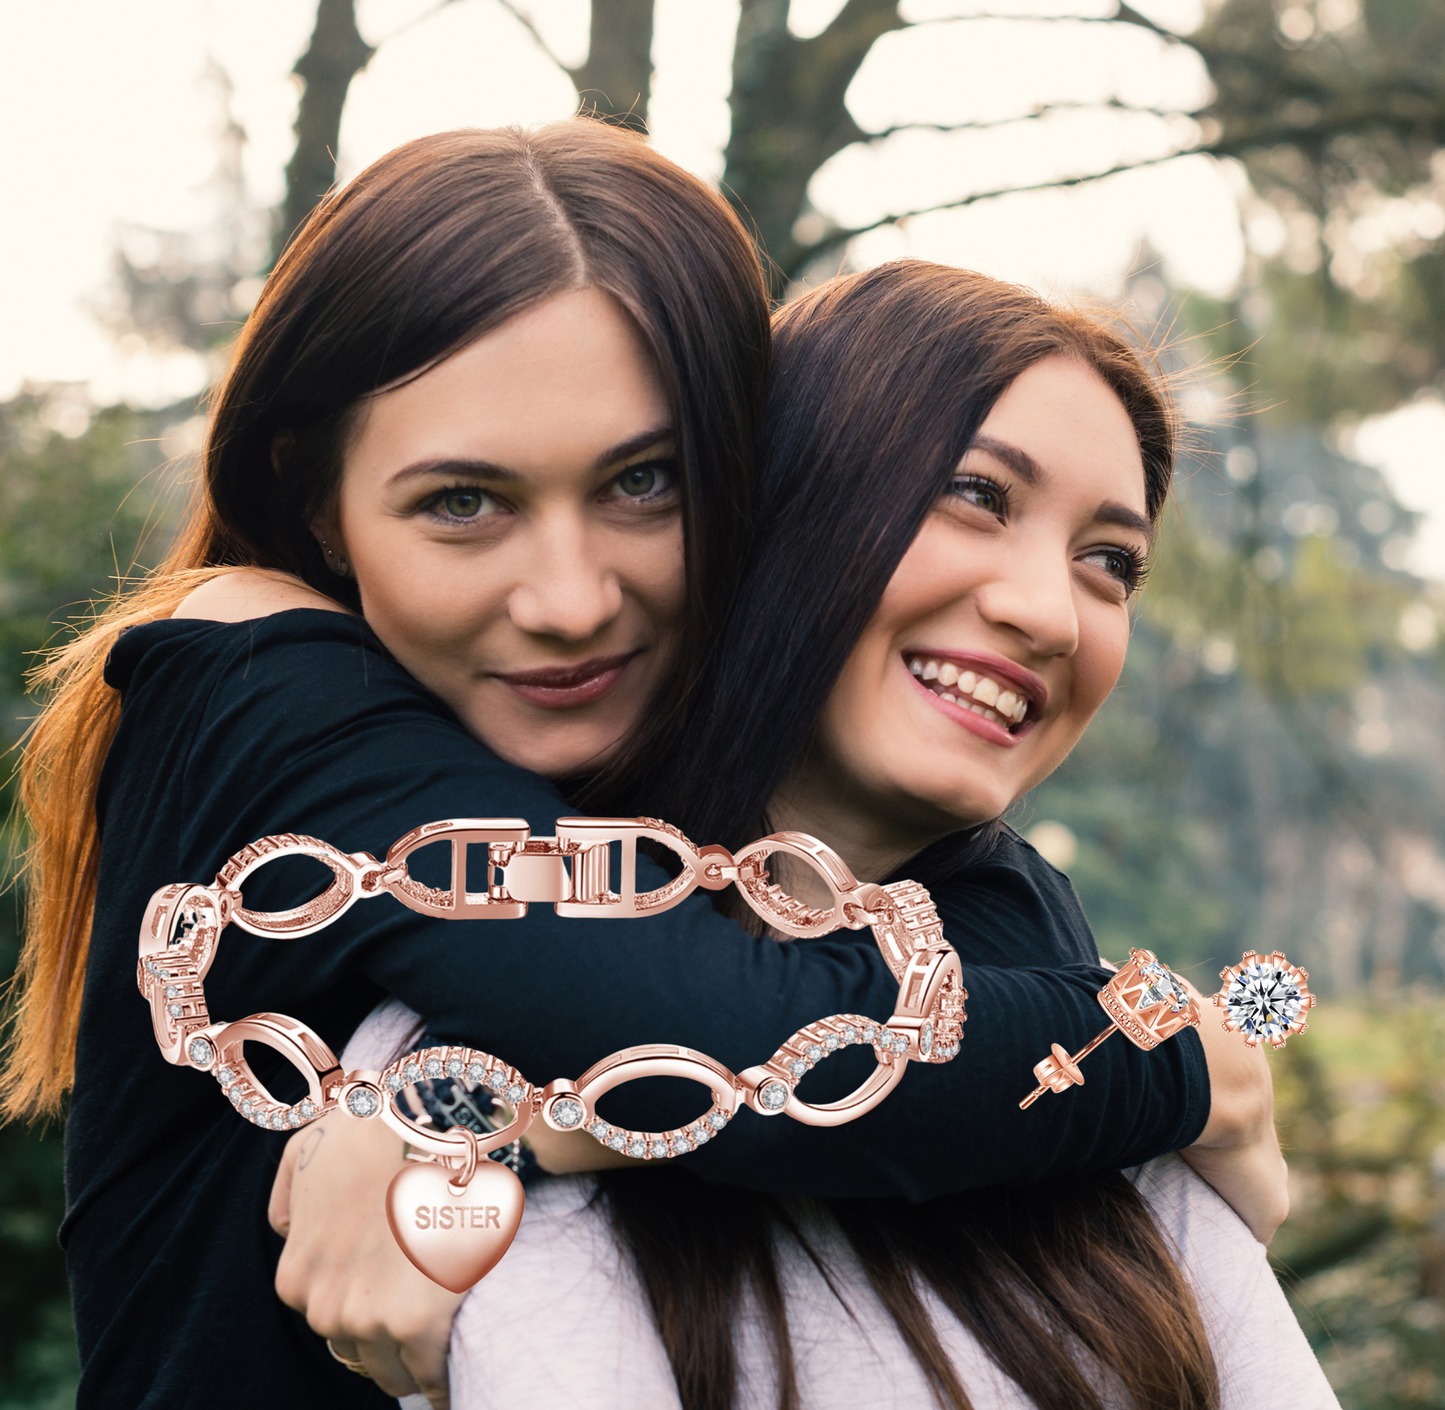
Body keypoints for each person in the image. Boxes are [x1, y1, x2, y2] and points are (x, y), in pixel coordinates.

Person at [2, 120, 1255, 1410]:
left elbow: (958, 954)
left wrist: (501, 1115)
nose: (569, 601)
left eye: (644, 483)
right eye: (462, 501)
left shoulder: (711, 847)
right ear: (315, 495)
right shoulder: (253, 675)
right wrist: (1184, 1057)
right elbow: (741, 1032)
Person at [263, 263, 1315, 1409]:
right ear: (776, 505)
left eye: (1108, 560)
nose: (1048, 612)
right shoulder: (463, 1051)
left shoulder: (1072, 1046)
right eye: (973, 493)